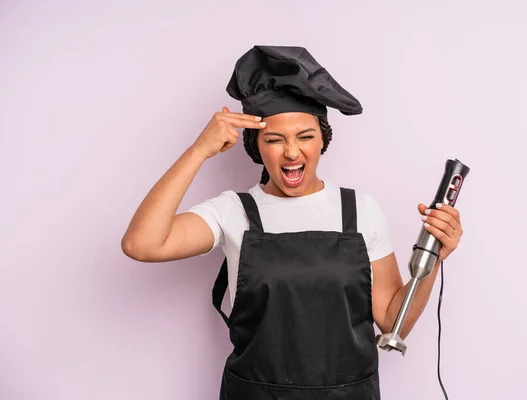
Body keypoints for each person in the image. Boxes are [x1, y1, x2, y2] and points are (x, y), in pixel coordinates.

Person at [121, 45, 464, 400]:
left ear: (323, 140)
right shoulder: (233, 211)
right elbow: (142, 244)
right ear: (256, 145)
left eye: (305, 136)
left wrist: (434, 256)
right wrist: (198, 151)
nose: (292, 152)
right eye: (274, 139)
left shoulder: (360, 210)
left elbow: (395, 322)